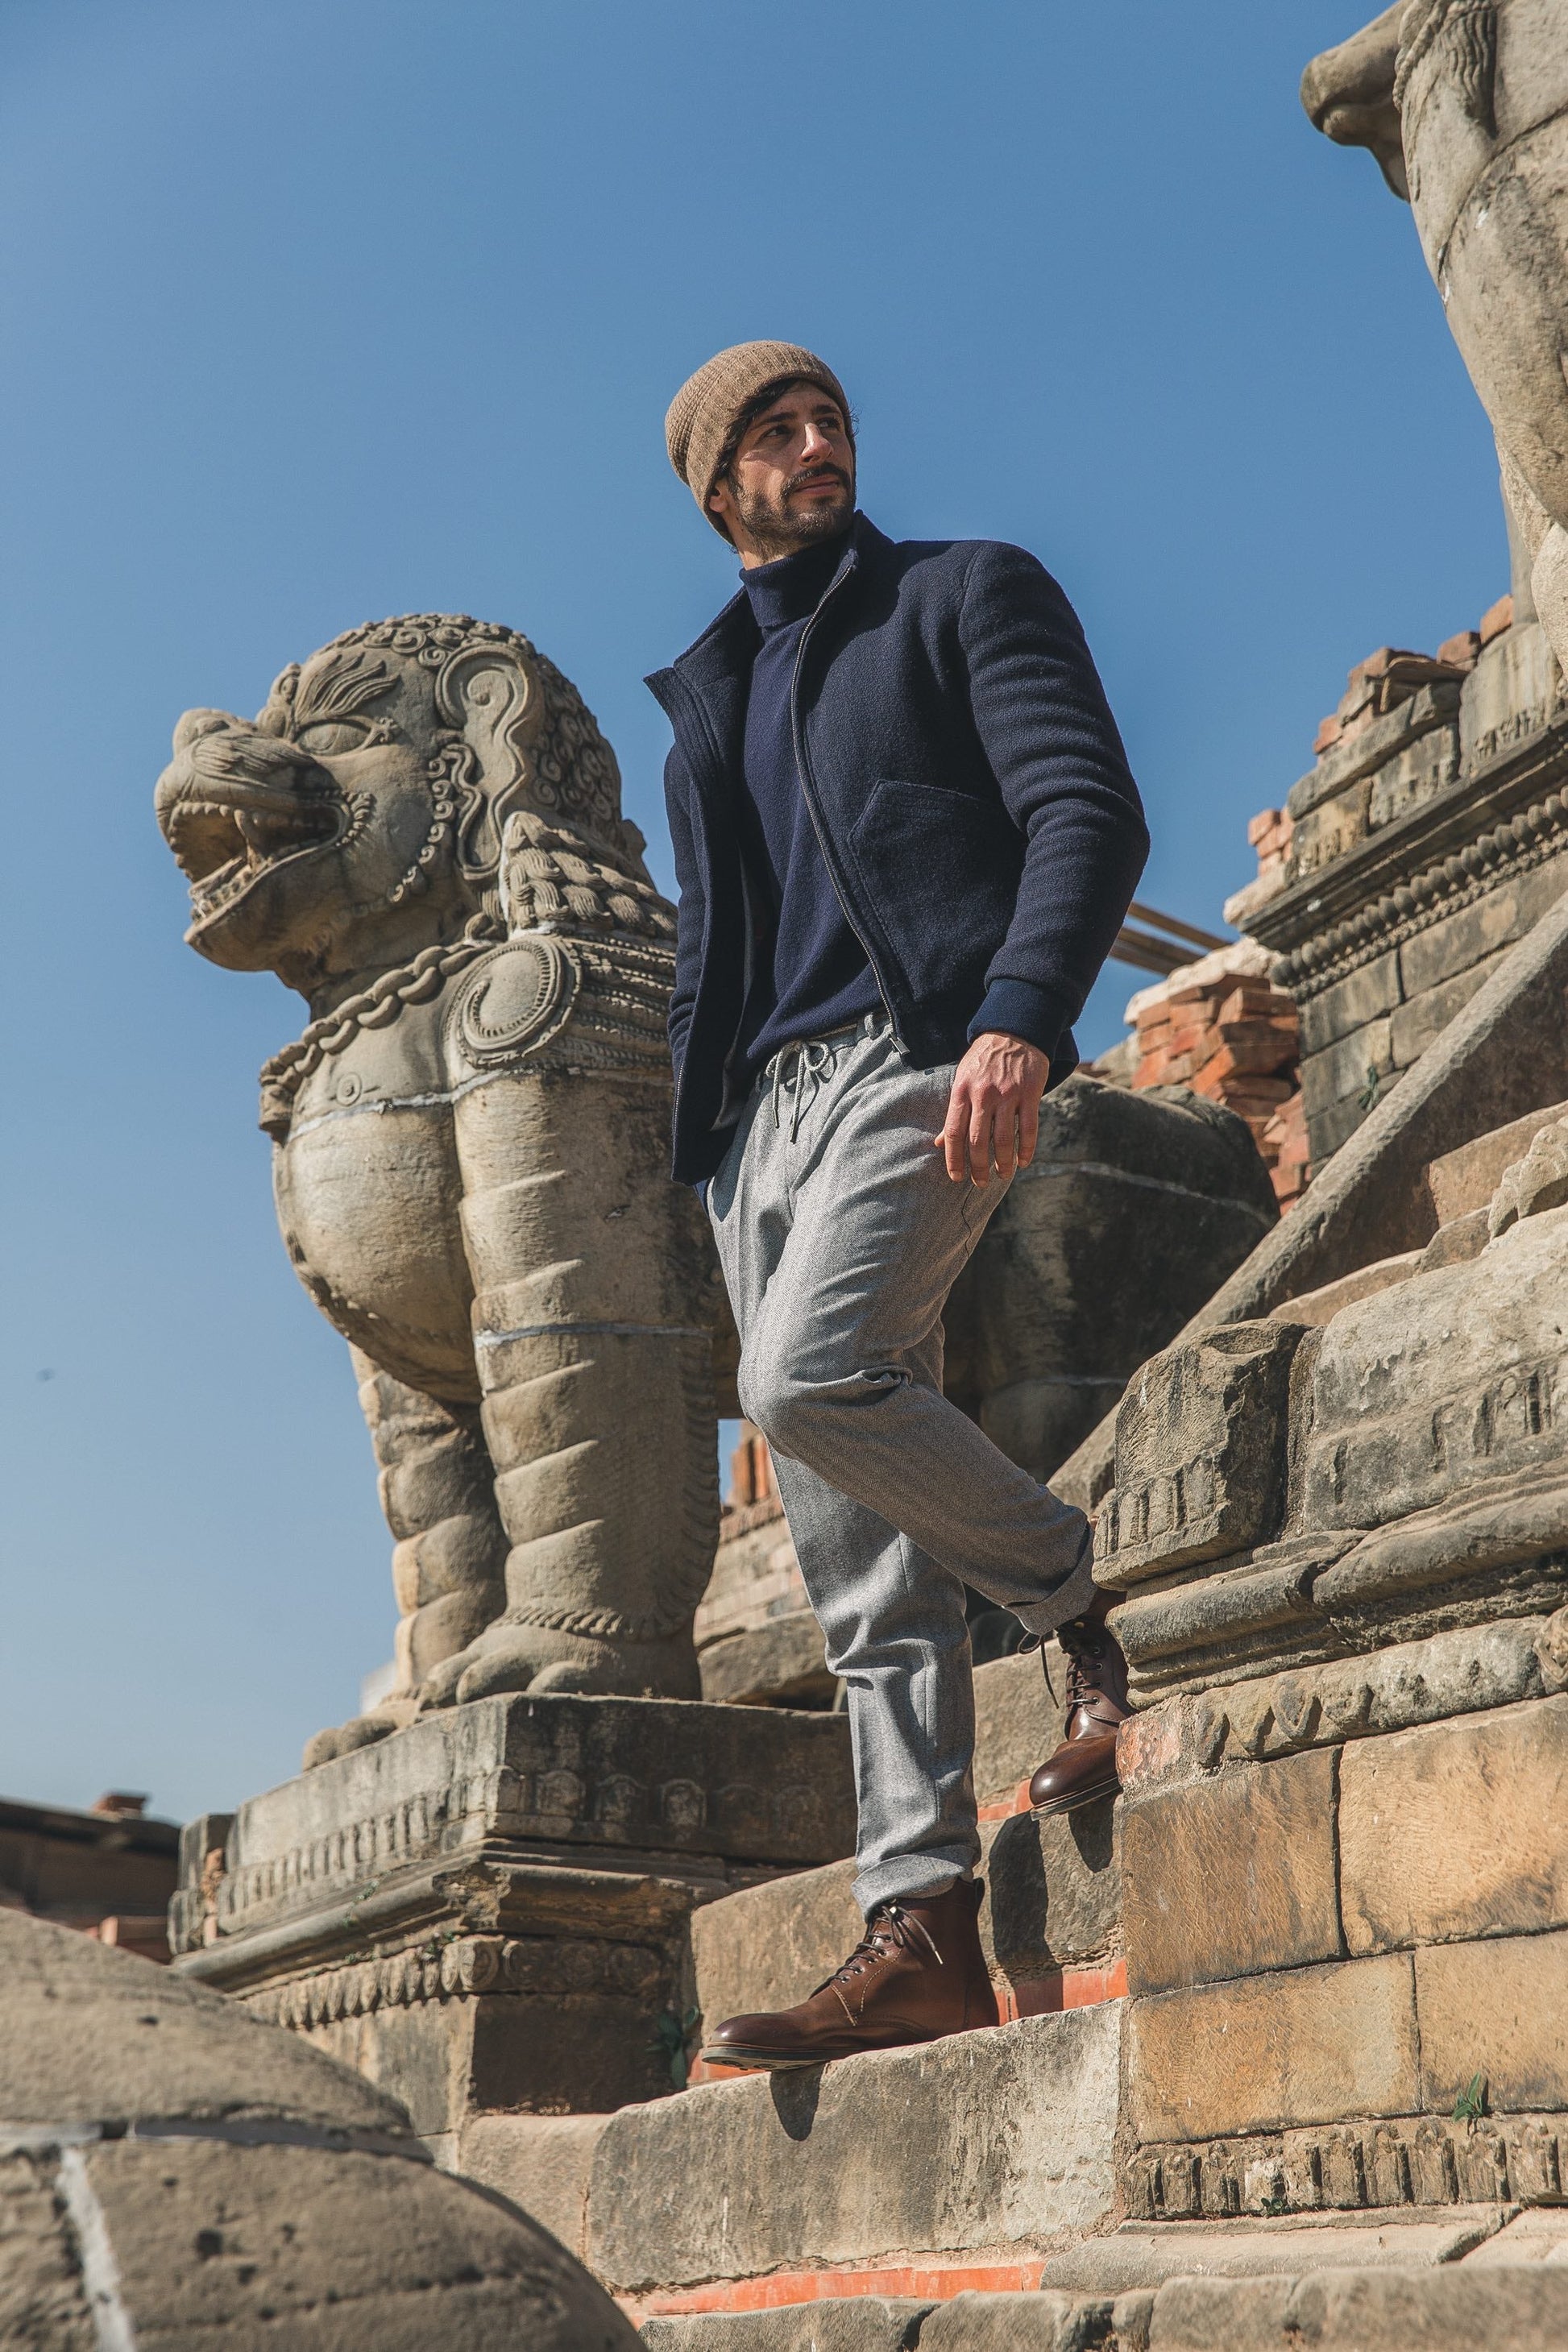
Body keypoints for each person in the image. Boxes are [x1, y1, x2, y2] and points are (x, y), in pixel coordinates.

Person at [648, 341, 1148, 2069]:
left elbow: (1084, 806)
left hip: (918, 1054)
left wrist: (1018, 1015)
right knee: (851, 1559)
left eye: (830, 420)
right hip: (755, 1128)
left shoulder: (961, 592)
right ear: (719, 488)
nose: (817, 443)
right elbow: (712, 955)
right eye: (777, 430)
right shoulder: (705, 707)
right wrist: (701, 1146)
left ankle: (1079, 1597)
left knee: (809, 1379)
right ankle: (920, 1927)